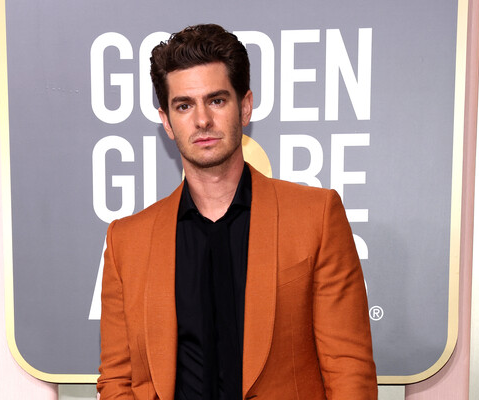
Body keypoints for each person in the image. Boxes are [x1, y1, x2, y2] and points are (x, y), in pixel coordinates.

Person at [97, 23, 377, 400]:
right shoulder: (127, 241)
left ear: (244, 107)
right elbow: (118, 378)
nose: (202, 120)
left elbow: (348, 369)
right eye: (184, 105)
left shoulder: (316, 217)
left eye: (216, 100)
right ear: (166, 121)